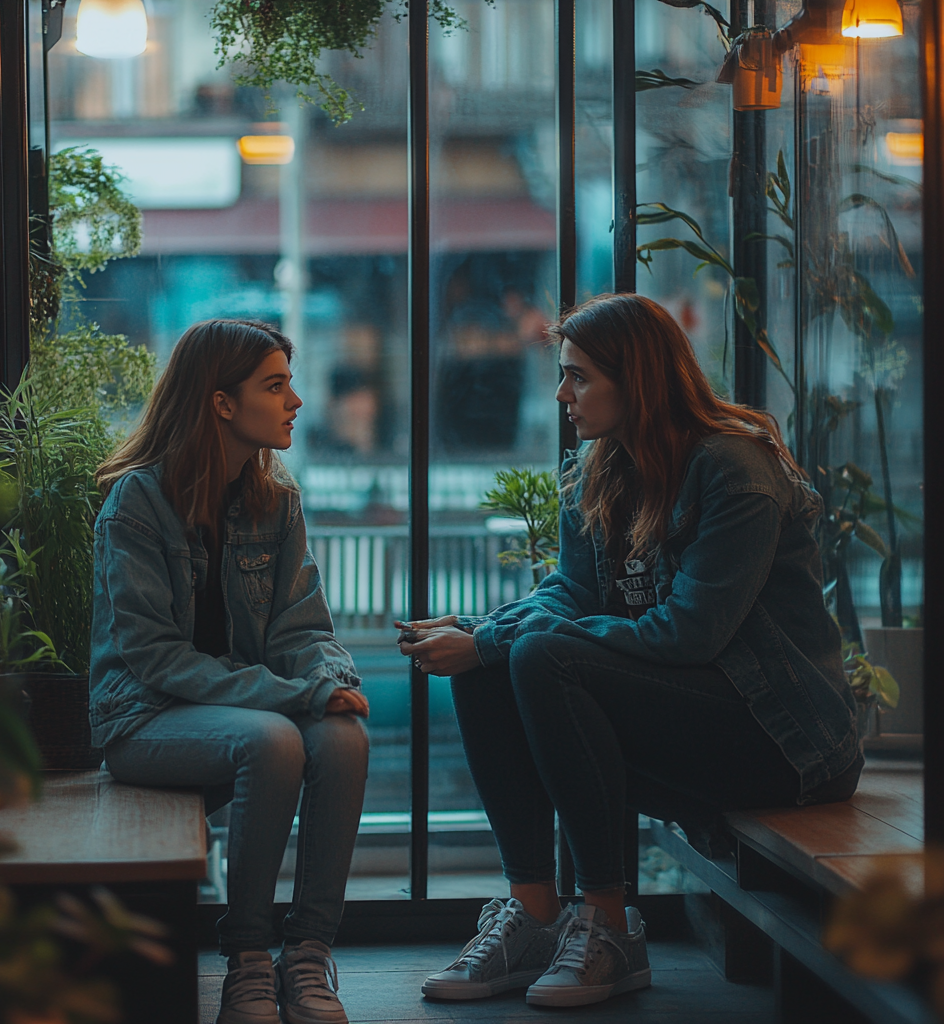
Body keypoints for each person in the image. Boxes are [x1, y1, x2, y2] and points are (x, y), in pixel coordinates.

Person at [398, 293, 862, 1009]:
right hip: (693, 717)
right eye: (563, 375)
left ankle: (609, 927)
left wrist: (495, 637)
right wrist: (481, 635)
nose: (562, 395)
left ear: (637, 379)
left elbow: (689, 634)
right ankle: (535, 915)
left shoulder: (733, 469)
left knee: (532, 654)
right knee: (490, 664)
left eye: (578, 377)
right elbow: (572, 592)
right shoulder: (596, 468)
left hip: (783, 739)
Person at [91, 319, 369, 1024]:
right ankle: (246, 958)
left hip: (240, 710)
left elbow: (303, 628)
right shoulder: (138, 502)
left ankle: (307, 956)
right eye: (275, 386)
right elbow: (155, 658)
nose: (295, 402)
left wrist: (331, 681)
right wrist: (297, 694)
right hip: (144, 718)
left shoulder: (277, 501)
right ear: (221, 402)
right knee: (272, 740)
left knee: (343, 739)